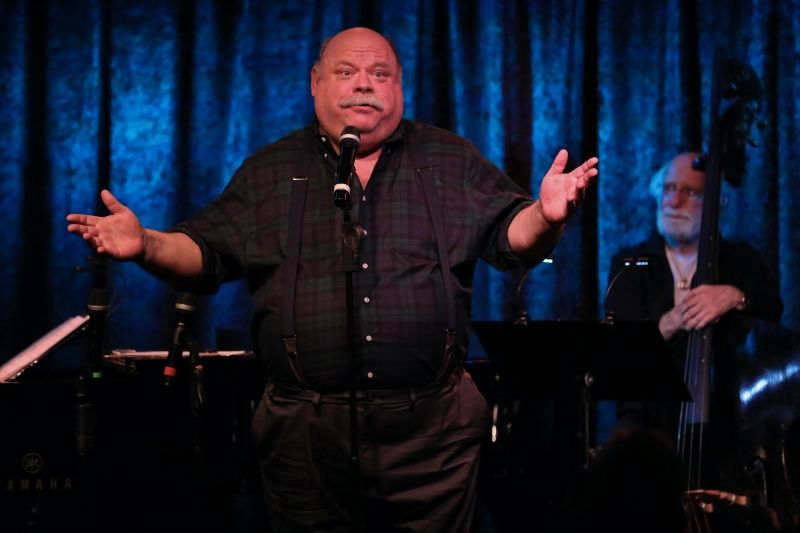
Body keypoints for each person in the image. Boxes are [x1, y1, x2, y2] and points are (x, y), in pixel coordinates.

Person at [67, 27, 598, 532]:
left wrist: (546, 216)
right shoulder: (271, 170)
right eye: (347, 71)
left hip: (430, 438)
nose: (364, 82)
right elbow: (207, 252)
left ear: (400, 88)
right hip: (304, 437)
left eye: (380, 73)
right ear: (315, 83)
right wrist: (146, 245)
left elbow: (511, 236)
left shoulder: (448, 159)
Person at [604, 151, 783, 492]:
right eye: (669, 188)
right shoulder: (630, 262)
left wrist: (735, 296)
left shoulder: (740, 260)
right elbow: (619, 345)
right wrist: (670, 322)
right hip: (648, 425)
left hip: (729, 431)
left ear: (717, 203)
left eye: (691, 192)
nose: (674, 200)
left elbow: (774, 308)